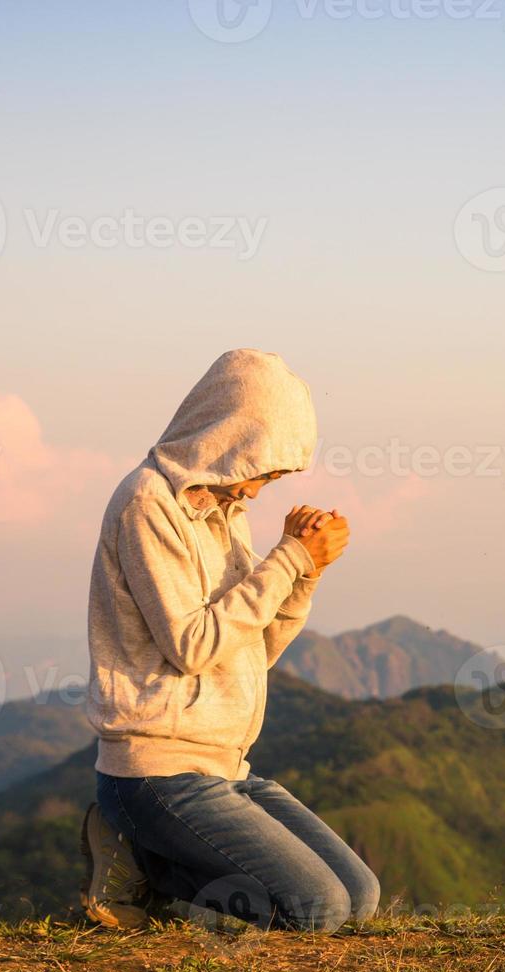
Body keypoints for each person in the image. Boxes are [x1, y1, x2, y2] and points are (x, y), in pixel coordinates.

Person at [79, 349, 379, 932]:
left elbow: (251, 653)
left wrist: (302, 574)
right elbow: (193, 644)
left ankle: (150, 860)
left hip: (224, 766)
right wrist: (289, 558)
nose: (261, 491)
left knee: (359, 896)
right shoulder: (148, 505)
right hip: (156, 772)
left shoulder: (221, 509)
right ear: (229, 439)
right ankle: (138, 862)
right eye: (264, 471)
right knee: (317, 909)